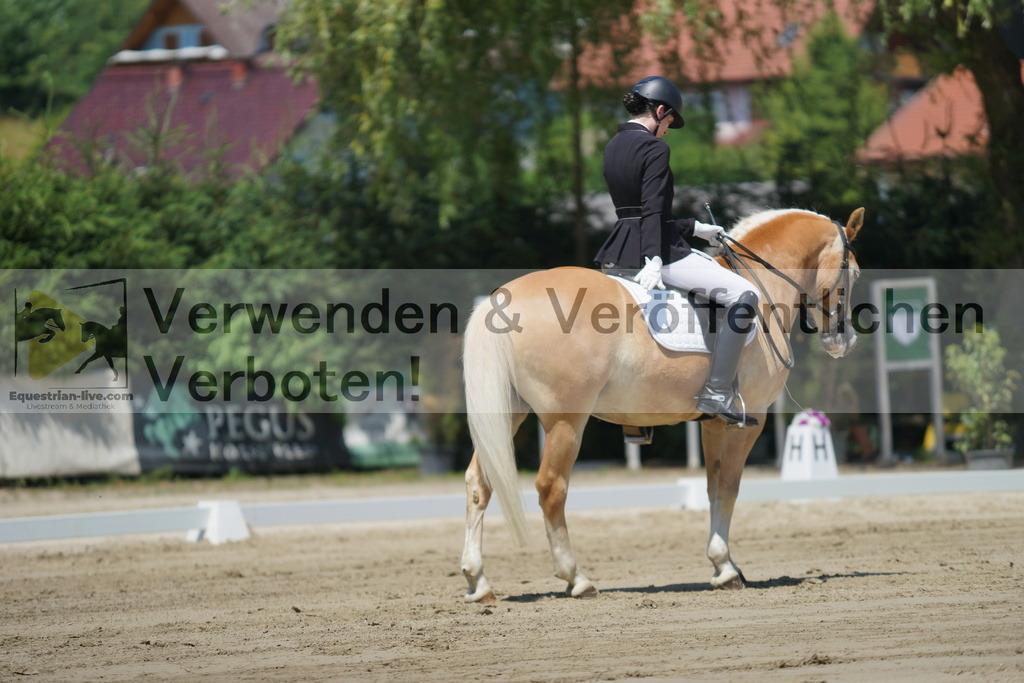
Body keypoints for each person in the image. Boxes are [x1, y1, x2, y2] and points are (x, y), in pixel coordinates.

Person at [594, 75, 759, 428]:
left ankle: (636, 416)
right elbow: (652, 211)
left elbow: (634, 212)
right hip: (655, 252)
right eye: (669, 122)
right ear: (661, 110)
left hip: (620, 248)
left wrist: (696, 229)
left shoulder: (613, 145)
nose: (668, 130)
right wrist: (654, 258)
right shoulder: (654, 148)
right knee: (744, 294)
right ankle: (717, 392)